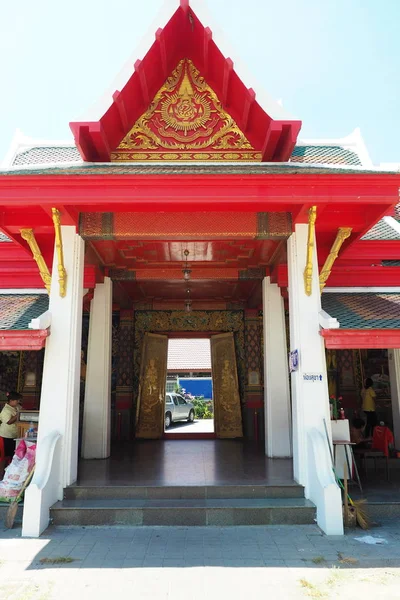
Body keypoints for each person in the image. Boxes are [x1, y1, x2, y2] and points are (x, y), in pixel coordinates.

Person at [0, 392, 22, 460]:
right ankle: (2, 470)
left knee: (13, 455)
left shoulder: (17, 406)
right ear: (11, 400)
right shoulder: (5, 410)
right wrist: (18, 414)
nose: (18, 402)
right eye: (17, 400)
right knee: (4, 456)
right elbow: (9, 422)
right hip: (6, 436)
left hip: (14, 435)